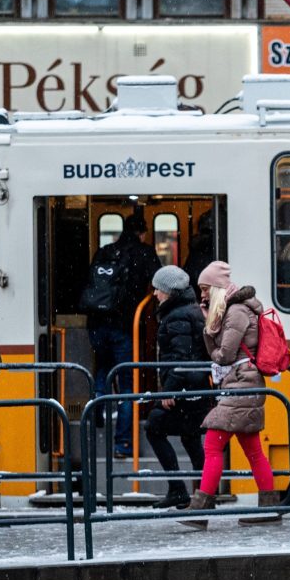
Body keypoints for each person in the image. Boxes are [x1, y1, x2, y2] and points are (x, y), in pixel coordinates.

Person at [179, 261, 281, 527]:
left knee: (213, 446)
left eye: (204, 289)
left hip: (241, 386)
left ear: (216, 288)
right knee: (254, 451)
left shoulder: (236, 312)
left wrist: (208, 331)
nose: (201, 295)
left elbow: (223, 355)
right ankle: (269, 507)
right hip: (243, 386)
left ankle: (201, 510)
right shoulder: (235, 309)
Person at [81, 214, 159, 457]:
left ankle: (96, 416)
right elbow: (159, 282)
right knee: (127, 383)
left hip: (96, 324)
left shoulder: (105, 251)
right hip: (125, 324)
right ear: (142, 232)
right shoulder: (144, 253)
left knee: (103, 369)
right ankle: (122, 443)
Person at [144, 266, 209, 510]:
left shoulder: (177, 316)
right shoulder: (189, 310)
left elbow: (181, 358)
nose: (155, 294)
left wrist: (169, 391)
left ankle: (179, 489)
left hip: (185, 390)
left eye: (158, 289)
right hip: (195, 388)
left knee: (154, 427)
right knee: (191, 438)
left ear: (169, 291)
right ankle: (204, 493)